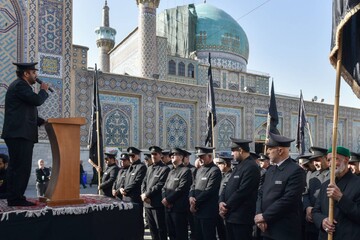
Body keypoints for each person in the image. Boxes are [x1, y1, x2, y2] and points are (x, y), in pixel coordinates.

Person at [2, 62, 49, 206]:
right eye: (34, 73)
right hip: (19, 134)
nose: (36, 76)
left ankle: (14, 197)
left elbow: (24, 112)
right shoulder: (20, 86)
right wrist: (43, 91)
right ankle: (16, 199)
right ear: (26, 74)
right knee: (20, 168)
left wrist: (43, 121)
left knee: (17, 167)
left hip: (19, 133)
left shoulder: (20, 87)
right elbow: (36, 100)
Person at [255, 132, 305, 240]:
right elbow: (261, 193)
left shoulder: (295, 171)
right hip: (266, 228)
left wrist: (265, 216)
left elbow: (289, 199)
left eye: (270, 149)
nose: (267, 152)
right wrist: (259, 213)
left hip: (283, 230)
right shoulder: (271, 170)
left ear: (280, 150)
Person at [312, 146, 360, 240]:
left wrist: (341, 198)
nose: (330, 164)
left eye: (335, 159)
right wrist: (322, 221)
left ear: (346, 160)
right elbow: (316, 211)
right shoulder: (325, 185)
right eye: (328, 160)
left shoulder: (357, 183)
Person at [219, 138, 260, 240]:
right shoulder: (239, 166)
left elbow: (243, 191)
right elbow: (227, 186)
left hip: (241, 217)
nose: (232, 154)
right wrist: (221, 202)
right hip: (231, 216)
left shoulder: (251, 167)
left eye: (234, 151)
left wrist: (226, 206)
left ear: (241, 150)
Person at [189, 146, 222, 240]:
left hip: (208, 212)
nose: (200, 159)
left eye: (202, 156)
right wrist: (191, 197)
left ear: (210, 156)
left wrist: (194, 202)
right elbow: (193, 185)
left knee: (208, 236)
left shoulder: (215, 171)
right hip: (197, 210)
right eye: (199, 157)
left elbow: (209, 190)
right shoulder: (199, 170)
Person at [162, 147, 192, 240]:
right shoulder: (171, 171)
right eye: (171, 155)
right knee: (171, 234)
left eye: (174, 154)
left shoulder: (186, 171)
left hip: (179, 208)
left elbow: (181, 189)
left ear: (181, 157)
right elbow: (164, 187)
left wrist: (168, 199)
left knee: (180, 234)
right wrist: (164, 198)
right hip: (168, 208)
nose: (172, 156)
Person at [141, 146, 170, 240]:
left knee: (160, 229)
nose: (153, 156)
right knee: (152, 229)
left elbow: (160, 185)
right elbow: (144, 183)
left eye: (155, 154)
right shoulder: (149, 168)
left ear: (160, 155)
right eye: (152, 154)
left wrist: (147, 194)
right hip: (147, 203)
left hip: (157, 204)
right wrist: (143, 194)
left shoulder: (165, 169)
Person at [302, 147, 329, 240]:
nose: (315, 164)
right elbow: (305, 193)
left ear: (326, 158)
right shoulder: (311, 175)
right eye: (313, 161)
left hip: (325, 220)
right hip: (310, 220)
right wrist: (307, 207)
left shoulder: (333, 175)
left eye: (318, 160)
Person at [120, 147, 147, 239]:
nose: (131, 157)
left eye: (133, 155)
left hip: (134, 197)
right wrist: (121, 188)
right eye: (129, 156)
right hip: (126, 197)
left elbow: (137, 181)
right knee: (128, 219)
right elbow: (124, 180)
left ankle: (139, 237)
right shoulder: (130, 167)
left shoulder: (142, 167)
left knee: (137, 220)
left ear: (138, 156)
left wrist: (126, 190)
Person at [214, 154, 233, 240]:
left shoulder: (231, 176)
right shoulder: (221, 175)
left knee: (226, 234)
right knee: (220, 232)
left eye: (219, 164)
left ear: (225, 164)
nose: (218, 166)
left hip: (226, 209)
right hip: (218, 208)